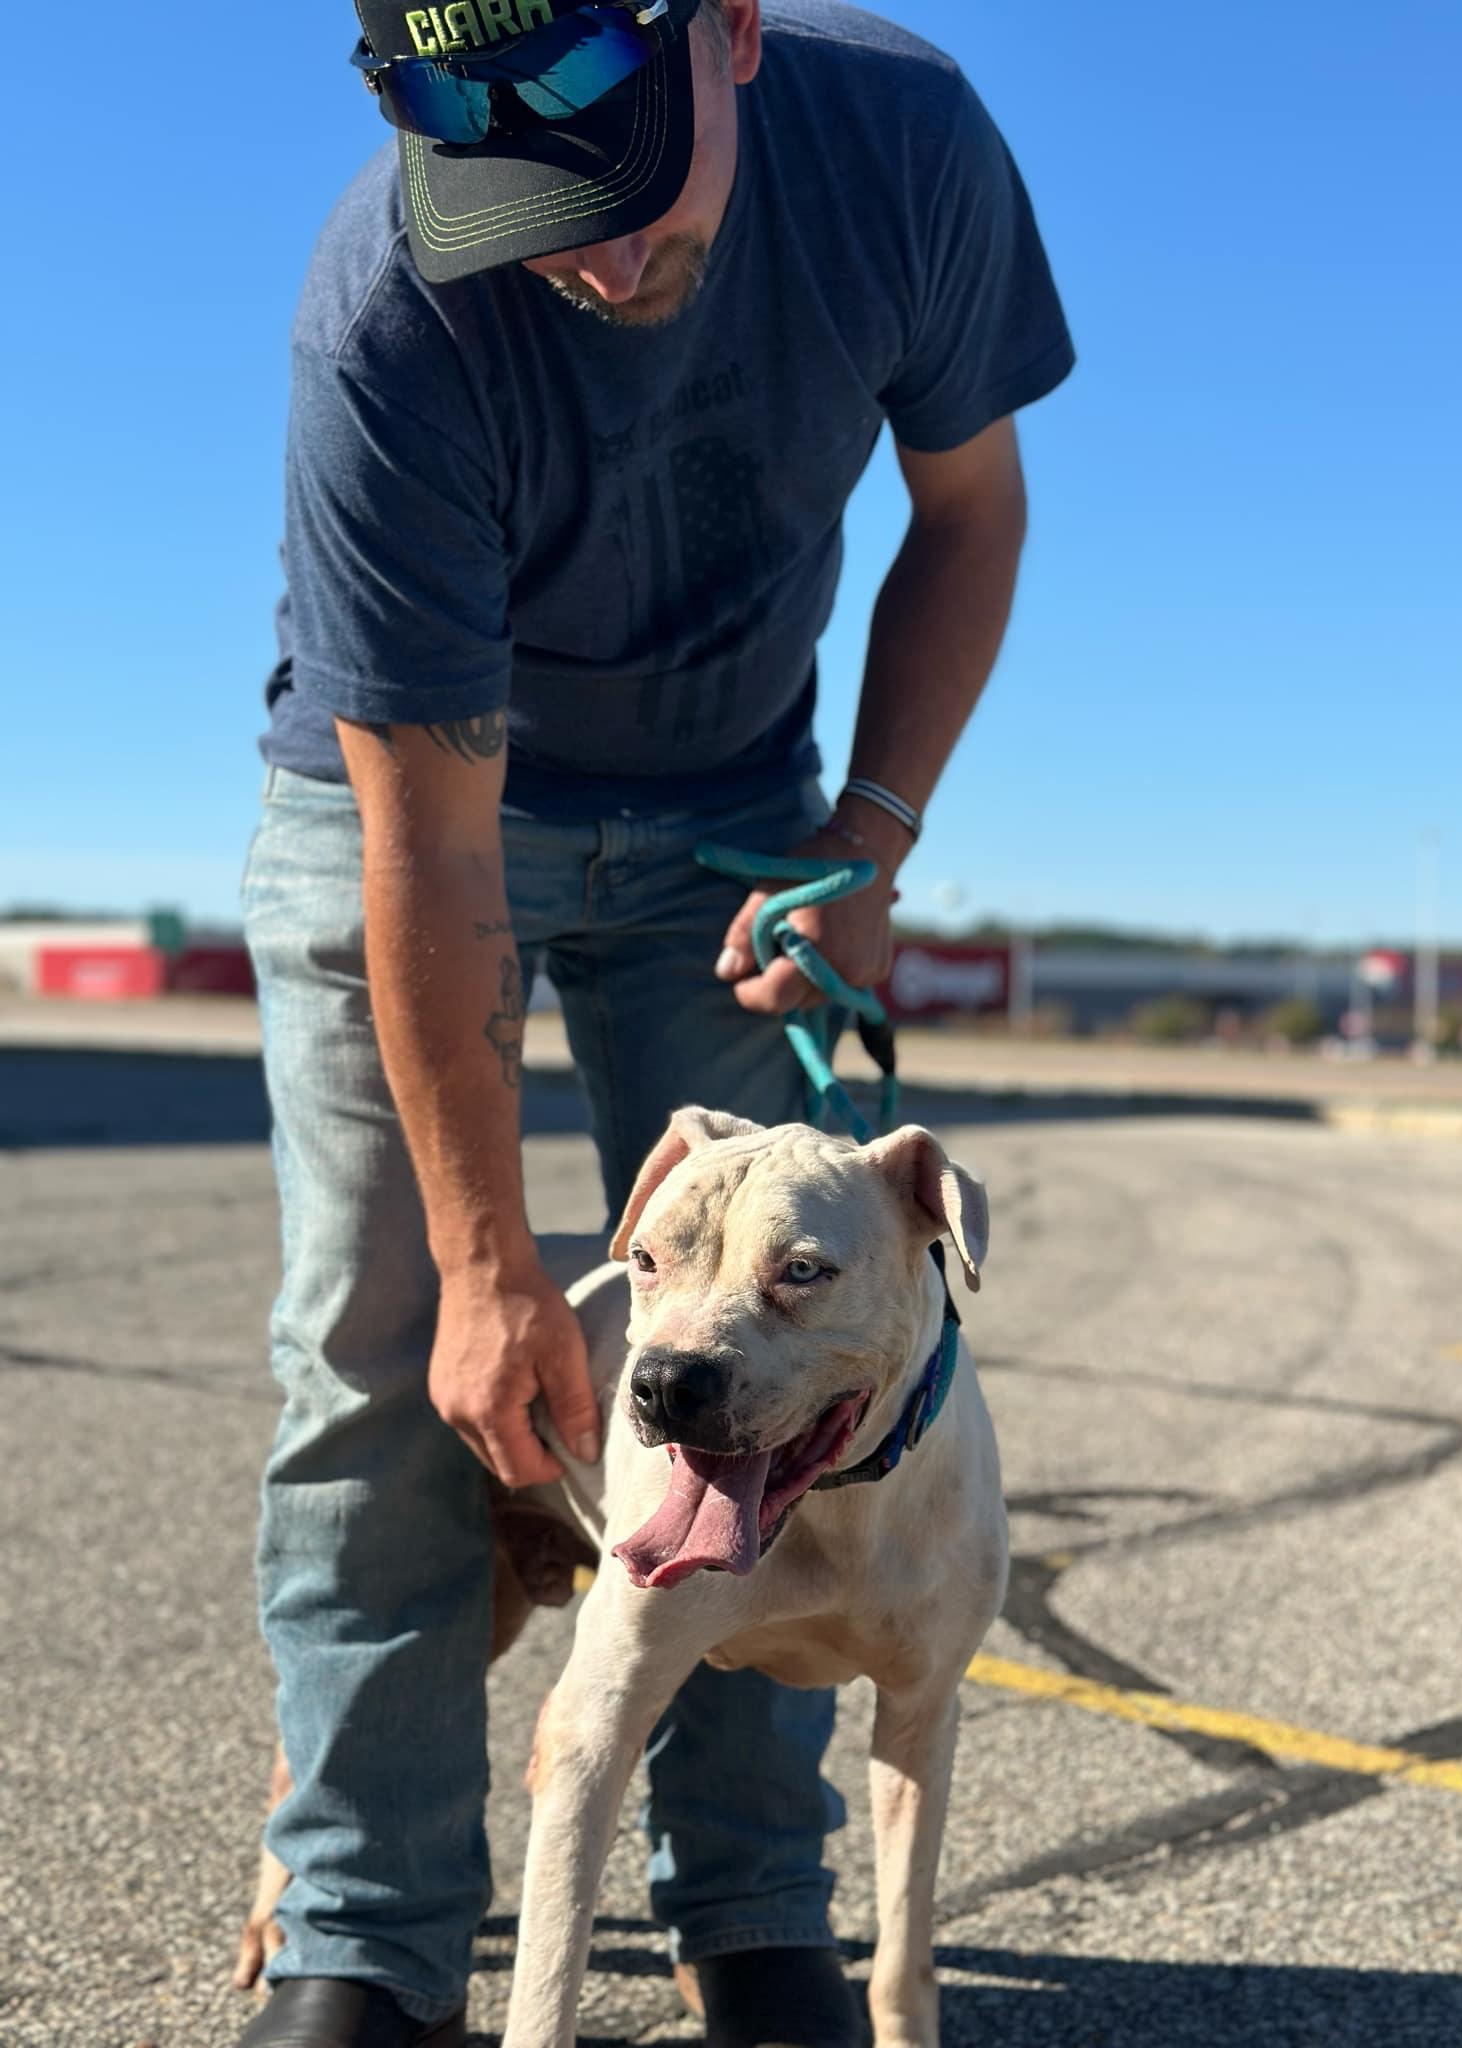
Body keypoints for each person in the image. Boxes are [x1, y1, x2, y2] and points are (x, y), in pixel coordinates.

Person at [238, 1, 1072, 2042]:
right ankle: (362, 1929)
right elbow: (427, 853)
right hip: (428, 810)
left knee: (768, 1380)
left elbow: (970, 510)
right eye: (531, 210)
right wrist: (479, 1260)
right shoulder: (386, 313)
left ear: (735, 31)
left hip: (734, 820)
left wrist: (869, 844)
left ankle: (752, 1902)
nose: (596, 257)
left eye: (623, 184)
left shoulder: (908, 152)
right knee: (385, 1369)